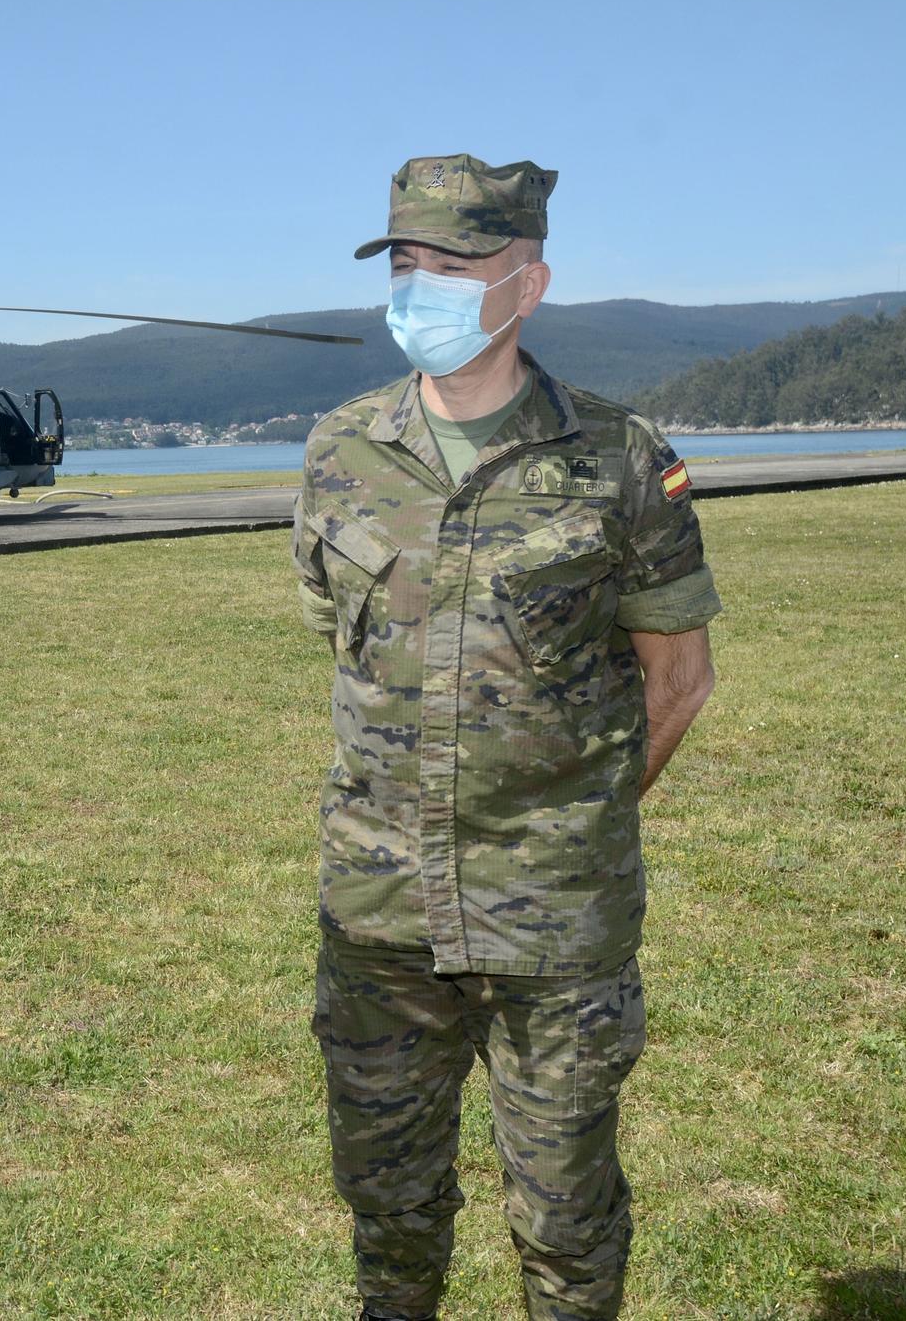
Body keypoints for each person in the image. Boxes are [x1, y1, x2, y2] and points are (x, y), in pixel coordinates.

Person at [291, 154, 721, 1321]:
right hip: (377, 917)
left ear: (524, 285)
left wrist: (565, 822)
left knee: (564, 1219)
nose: (417, 288)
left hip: (554, 931)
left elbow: (675, 682)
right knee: (385, 1203)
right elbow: (345, 644)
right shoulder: (341, 452)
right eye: (403, 263)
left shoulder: (619, 459)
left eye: (452, 264)